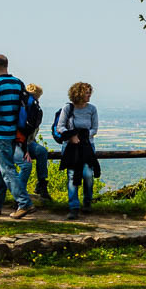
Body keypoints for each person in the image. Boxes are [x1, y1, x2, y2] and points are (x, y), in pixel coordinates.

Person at [0, 54, 34, 218]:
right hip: (14, 132)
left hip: (0, 133)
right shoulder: (18, 83)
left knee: (7, 170)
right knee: (1, 169)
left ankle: (25, 203)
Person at [53, 81, 100, 216]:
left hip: (87, 146)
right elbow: (60, 127)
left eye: (89, 92)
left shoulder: (92, 109)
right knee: (72, 175)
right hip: (71, 147)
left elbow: (94, 129)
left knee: (88, 174)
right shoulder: (68, 108)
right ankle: (73, 207)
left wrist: (83, 136)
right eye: (86, 92)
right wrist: (72, 136)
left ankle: (87, 201)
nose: (89, 95)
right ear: (78, 93)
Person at [20, 82, 51, 202]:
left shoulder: (30, 105)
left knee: (42, 151)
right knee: (28, 163)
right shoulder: (30, 106)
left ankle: (42, 184)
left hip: (28, 141)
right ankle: (21, 193)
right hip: (22, 141)